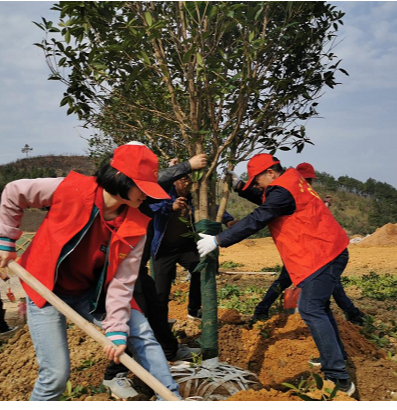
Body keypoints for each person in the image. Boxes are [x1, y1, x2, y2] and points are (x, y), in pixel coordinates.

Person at [0, 142, 181, 401]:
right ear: (120, 179)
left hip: (91, 294)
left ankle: (170, 397)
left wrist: (117, 328)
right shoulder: (70, 189)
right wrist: (6, 241)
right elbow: (14, 191)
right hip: (45, 290)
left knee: (140, 332)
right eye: (142, 187)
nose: (147, 195)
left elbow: (122, 282)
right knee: (56, 375)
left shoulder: (135, 226)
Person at [197, 154, 356, 397]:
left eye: (257, 180)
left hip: (322, 255)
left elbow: (259, 216)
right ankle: (337, 359)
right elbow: (266, 199)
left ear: (271, 172)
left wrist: (219, 240)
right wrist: (240, 187)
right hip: (325, 251)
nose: (258, 186)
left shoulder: (283, 191)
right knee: (319, 307)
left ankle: (340, 380)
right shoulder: (289, 183)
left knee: (311, 309)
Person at [102, 155, 207, 399]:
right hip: (115, 274)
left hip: (137, 268)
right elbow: (158, 187)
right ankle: (114, 375)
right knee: (133, 323)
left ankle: (169, 350)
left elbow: (157, 191)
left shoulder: (141, 202)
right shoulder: (120, 201)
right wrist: (187, 166)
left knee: (157, 308)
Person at [249, 163, 366, 327]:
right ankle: (351, 313)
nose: (309, 182)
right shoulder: (292, 192)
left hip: (309, 252)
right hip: (304, 252)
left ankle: (351, 312)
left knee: (324, 284)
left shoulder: (302, 191)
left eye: (310, 179)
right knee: (317, 288)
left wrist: (324, 204)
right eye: (307, 179)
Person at [150, 174, 235, 321]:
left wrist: (228, 220)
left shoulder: (195, 198)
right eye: (184, 180)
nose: (187, 184)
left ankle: (194, 310)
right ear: (176, 180)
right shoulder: (163, 193)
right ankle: (159, 320)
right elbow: (152, 207)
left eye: (190, 181)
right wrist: (171, 206)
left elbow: (212, 207)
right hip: (163, 250)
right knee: (161, 290)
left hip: (185, 248)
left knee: (200, 269)